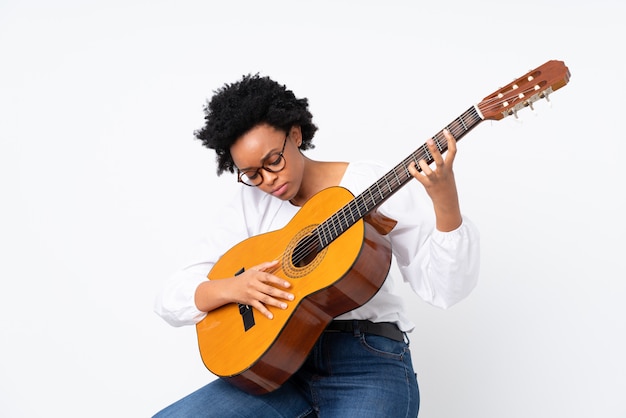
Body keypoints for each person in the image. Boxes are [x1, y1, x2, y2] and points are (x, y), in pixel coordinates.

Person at [153, 74, 480, 417]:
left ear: (295, 134)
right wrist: (234, 287)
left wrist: (445, 201)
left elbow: (445, 290)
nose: (267, 180)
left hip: (366, 364)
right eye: (252, 174)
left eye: (273, 161)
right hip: (277, 368)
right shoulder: (250, 204)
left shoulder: (367, 183)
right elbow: (170, 296)